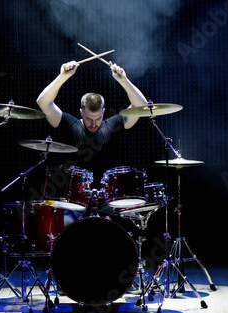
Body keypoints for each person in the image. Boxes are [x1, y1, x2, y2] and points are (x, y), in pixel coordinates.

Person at [36, 60, 148, 225]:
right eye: (89, 119)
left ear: (103, 111)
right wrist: (62, 76)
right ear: (81, 112)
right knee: (65, 227)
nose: (94, 123)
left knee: (125, 227)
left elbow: (142, 106)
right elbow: (42, 103)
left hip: (108, 199)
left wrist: (123, 80)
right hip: (75, 200)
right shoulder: (70, 124)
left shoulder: (113, 124)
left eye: (98, 118)